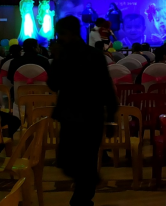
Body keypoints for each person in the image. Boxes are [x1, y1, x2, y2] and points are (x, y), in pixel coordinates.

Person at [47, 16, 118, 206]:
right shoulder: (66, 55)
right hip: (76, 115)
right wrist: (57, 59)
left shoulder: (91, 55)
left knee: (84, 160)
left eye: (60, 33)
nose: (58, 37)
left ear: (70, 33)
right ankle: (88, 184)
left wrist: (111, 117)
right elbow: (54, 85)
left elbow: (105, 86)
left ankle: (82, 199)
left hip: (86, 115)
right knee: (68, 160)